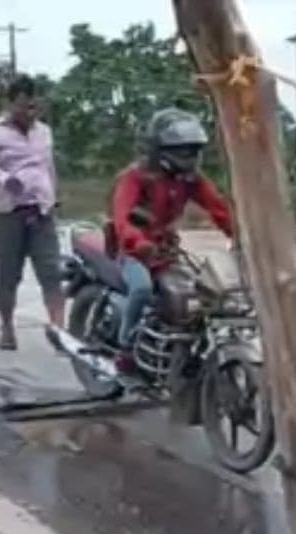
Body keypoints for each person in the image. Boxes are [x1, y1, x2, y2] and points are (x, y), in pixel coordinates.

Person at [108, 108, 234, 356]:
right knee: (142, 289)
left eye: (193, 150)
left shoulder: (189, 180)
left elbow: (219, 209)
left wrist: (241, 236)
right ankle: (125, 348)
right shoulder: (136, 177)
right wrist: (139, 242)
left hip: (165, 252)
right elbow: (121, 219)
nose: (189, 156)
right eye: (182, 150)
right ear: (160, 149)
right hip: (132, 253)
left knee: (201, 292)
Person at [0, 75, 62, 351]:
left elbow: (48, 167)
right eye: (23, 106)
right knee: (10, 273)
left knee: (52, 271)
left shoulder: (44, 132)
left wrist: (54, 195)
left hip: (42, 209)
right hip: (10, 211)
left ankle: (59, 329)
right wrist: (3, 178)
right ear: (11, 104)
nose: (29, 113)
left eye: (33, 107)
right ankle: (7, 327)